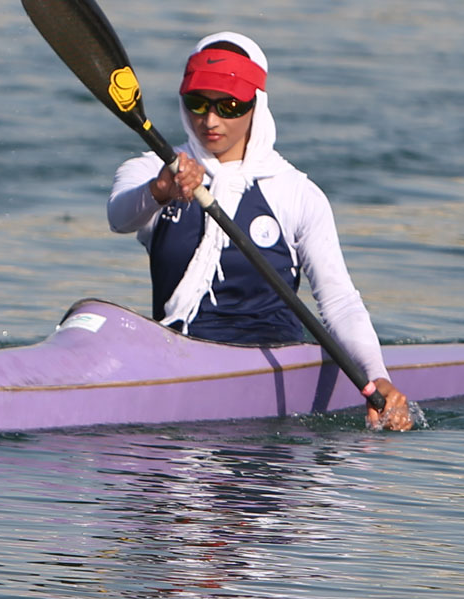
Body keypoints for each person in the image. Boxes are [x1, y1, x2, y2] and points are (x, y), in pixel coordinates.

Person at [107, 33, 414, 431]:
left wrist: (379, 377)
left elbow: (339, 303)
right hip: (177, 362)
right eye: (197, 103)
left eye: (229, 105)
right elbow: (119, 217)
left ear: (257, 104)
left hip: (272, 378)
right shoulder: (153, 171)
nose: (210, 120)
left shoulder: (296, 193)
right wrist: (162, 190)